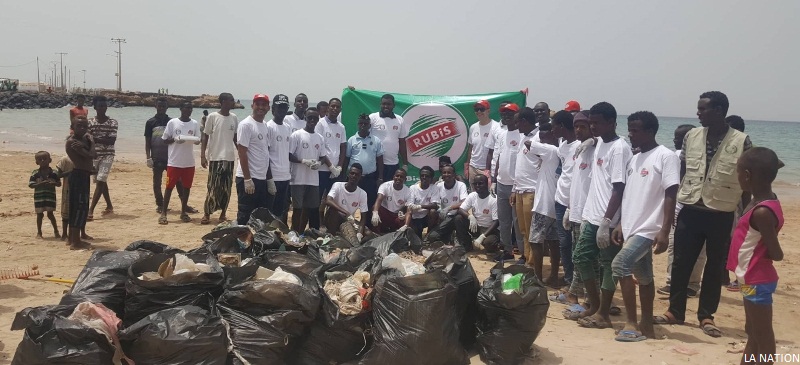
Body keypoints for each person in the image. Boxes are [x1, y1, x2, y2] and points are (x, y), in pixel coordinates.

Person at [655, 91, 751, 338]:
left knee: (715, 266)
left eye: (703, 109)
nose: (698, 113)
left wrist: (744, 218)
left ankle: (706, 315)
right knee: (680, 262)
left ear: (719, 110)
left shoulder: (742, 141)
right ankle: (675, 311)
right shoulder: (692, 136)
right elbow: (684, 171)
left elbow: (746, 182)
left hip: (721, 213)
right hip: (690, 209)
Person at [610, 111, 680, 341]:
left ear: (650, 131)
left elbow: (671, 193)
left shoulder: (666, 156)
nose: (630, 134)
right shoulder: (634, 158)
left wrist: (664, 229)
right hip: (631, 225)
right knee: (645, 276)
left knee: (620, 264)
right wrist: (621, 222)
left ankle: (631, 322)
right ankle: (647, 325)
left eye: (635, 130)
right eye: (629, 129)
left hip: (649, 227)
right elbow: (630, 193)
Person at [572, 102, 632, 329]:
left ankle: (604, 314)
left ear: (612, 123)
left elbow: (618, 188)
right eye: (591, 123)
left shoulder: (620, 148)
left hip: (609, 219)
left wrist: (608, 222)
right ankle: (595, 306)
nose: (593, 127)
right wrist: (591, 140)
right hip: (591, 215)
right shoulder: (599, 144)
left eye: (597, 123)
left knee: (608, 265)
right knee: (581, 258)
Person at [728, 147, 783, 364]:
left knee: (763, 334)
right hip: (748, 278)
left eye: (739, 172)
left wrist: (768, 252)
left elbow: (776, 253)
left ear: (747, 176)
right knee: (751, 329)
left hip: (757, 279)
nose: (738, 177)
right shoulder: (759, 200)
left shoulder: (762, 212)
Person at [659, 124, 705, 298]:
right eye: (676, 137)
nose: (675, 140)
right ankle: (673, 282)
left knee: (698, 250)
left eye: (679, 137)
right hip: (677, 208)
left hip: (695, 207)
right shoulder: (674, 156)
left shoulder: (698, 156)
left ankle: (692, 284)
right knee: (674, 246)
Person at [561, 111, 601, 315]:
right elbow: (575, 181)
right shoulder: (578, 149)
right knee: (579, 258)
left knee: (588, 260)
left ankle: (590, 300)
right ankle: (576, 294)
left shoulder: (596, 149)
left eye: (583, 126)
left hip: (589, 213)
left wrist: (593, 140)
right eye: (576, 126)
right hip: (575, 210)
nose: (578, 130)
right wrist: (569, 208)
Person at [145, 97, 195, 214]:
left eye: (164, 106)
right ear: (155, 106)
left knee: (178, 182)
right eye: (159, 106)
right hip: (156, 157)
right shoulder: (150, 122)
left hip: (171, 158)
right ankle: (160, 204)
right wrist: (148, 157)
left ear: (167, 107)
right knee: (157, 182)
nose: (161, 108)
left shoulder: (172, 122)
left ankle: (184, 204)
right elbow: (148, 141)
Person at [528, 122, 563, 287]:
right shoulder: (559, 153)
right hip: (555, 205)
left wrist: (538, 141)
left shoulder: (550, 151)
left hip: (543, 205)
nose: (541, 142)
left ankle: (537, 278)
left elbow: (527, 143)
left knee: (536, 242)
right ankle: (554, 276)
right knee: (554, 242)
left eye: (544, 138)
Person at [289, 107, 335, 232]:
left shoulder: (319, 137)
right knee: (297, 209)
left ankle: (302, 233)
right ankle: (294, 233)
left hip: (313, 180)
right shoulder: (296, 135)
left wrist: (319, 163)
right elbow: (289, 155)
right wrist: (303, 161)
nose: (312, 120)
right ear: (305, 117)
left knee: (309, 208)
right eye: (310, 117)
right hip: (298, 179)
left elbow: (323, 156)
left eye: (315, 118)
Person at [486, 103, 521, 261]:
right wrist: (493, 179)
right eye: (503, 113)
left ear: (517, 115)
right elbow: (499, 157)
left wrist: (516, 186)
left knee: (518, 223)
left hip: (517, 187)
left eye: (510, 113)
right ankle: (508, 252)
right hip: (501, 184)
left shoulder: (522, 135)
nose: (506, 116)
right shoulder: (502, 134)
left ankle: (524, 254)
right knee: (504, 222)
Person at [159, 101, 201, 225]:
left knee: (186, 188)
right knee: (169, 188)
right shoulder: (173, 123)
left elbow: (198, 140)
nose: (189, 110)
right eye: (186, 107)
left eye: (191, 108)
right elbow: (165, 140)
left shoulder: (194, 123)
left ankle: (183, 212)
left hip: (189, 162)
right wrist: (175, 139)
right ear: (181, 108)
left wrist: (197, 141)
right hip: (174, 162)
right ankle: (163, 213)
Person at [200, 93, 238, 224]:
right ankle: (207, 214)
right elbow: (205, 136)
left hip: (230, 158)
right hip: (216, 157)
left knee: (227, 187)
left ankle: (223, 214)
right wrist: (202, 156)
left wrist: (242, 152)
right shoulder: (213, 117)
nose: (233, 102)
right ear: (223, 102)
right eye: (231, 100)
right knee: (212, 186)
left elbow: (235, 138)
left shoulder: (234, 117)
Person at [235, 94, 273, 225]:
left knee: (259, 216)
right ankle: (241, 243)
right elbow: (242, 152)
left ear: (268, 108)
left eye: (264, 105)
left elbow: (264, 153)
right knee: (245, 215)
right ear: (252, 106)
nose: (261, 107)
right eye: (258, 104)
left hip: (261, 179)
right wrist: (247, 179)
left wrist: (269, 179)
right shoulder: (246, 124)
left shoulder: (265, 126)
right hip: (248, 178)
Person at [553, 110, 580, 287]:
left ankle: (577, 282)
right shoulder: (562, 146)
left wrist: (572, 205)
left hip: (575, 204)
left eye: (554, 125)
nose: (553, 129)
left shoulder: (580, 146)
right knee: (563, 243)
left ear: (561, 126)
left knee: (576, 245)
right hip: (560, 201)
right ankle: (569, 278)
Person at [512, 108, 541, 265]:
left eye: (518, 122)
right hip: (519, 189)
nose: (516, 126)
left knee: (531, 229)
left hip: (532, 189)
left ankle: (533, 263)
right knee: (523, 228)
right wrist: (514, 188)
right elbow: (520, 164)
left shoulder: (539, 137)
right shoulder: (523, 138)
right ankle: (526, 256)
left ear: (524, 121)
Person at [345, 114, 384, 225]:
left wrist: (380, 177)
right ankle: (350, 225)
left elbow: (380, 159)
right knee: (351, 201)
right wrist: (344, 175)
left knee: (369, 202)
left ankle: (366, 226)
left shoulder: (376, 140)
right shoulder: (352, 140)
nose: (363, 125)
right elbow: (347, 158)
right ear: (358, 125)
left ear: (369, 125)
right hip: (354, 178)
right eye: (361, 123)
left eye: (365, 124)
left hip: (370, 177)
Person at [65, 115, 95, 249]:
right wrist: (92, 143)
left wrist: (87, 143)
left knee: (79, 207)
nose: (83, 128)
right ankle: (75, 242)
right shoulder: (73, 142)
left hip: (84, 174)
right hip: (78, 175)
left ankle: (72, 238)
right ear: (72, 128)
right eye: (79, 126)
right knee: (78, 207)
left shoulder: (82, 140)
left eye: (85, 126)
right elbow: (92, 155)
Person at [87, 95, 118, 220]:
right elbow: (88, 139)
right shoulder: (90, 122)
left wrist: (94, 139)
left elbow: (111, 141)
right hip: (94, 156)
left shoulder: (112, 122)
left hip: (108, 155)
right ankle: (109, 205)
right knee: (101, 181)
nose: (103, 108)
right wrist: (97, 141)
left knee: (100, 180)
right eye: (100, 106)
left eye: (104, 106)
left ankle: (91, 210)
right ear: (95, 107)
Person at [264, 94, 293, 220]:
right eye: (279, 107)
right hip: (273, 176)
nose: (282, 110)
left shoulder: (287, 127)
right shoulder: (268, 127)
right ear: (272, 109)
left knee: (283, 210)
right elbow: (265, 154)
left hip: (285, 176)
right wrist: (269, 178)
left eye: (284, 108)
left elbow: (287, 152)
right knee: (270, 211)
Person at [425, 164, 469, 244]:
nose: (446, 174)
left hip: (457, 216)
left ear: (454, 175)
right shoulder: (438, 186)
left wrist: (449, 208)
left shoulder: (461, 185)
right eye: (444, 172)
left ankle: (462, 239)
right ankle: (449, 235)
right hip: (444, 217)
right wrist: (440, 210)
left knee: (458, 218)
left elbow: (465, 202)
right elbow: (435, 202)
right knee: (433, 237)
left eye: (449, 172)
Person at [369, 94, 409, 183]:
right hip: (375, 163)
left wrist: (405, 163)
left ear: (393, 105)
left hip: (393, 164)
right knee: (375, 191)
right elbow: (365, 137)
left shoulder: (400, 120)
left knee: (391, 191)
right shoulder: (373, 117)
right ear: (380, 104)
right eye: (383, 104)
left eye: (389, 104)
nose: (386, 106)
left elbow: (402, 142)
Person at [455, 175, 499, 251]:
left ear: (487, 184)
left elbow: (496, 222)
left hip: (490, 229)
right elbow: (461, 209)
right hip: (475, 227)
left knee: (489, 243)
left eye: (480, 183)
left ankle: (494, 245)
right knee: (458, 218)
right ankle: (467, 245)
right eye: (475, 184)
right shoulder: (472, 195)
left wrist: (483, 236)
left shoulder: (494, 199)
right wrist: (470, 217)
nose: (477, 186)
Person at [315, 98, 346, 203]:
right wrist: (331, 166)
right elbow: (320, 147)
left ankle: (327, 220)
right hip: (322, 170)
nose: (335, 108)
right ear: (328, 107)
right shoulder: (320, 123)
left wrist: (339, 167)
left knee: (333, 201)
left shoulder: (341, 127)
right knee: (317, 199)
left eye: (337, 107)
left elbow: (343, 147)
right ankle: (315, 220)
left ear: (340, 109)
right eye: (332, 106)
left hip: (335, 173)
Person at [324, 164, 369, 236]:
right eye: (352, 173)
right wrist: (346, 213)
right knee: (334, 211)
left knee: (367, 233)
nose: (354, 176)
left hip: (349, 221)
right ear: (348, 174)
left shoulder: (362, 193)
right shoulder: (337, 185)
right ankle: (332, 236)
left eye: (357, 174)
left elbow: (363, 217)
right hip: (333, 218)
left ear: (360, 177)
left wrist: (360, 233)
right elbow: (328, 200)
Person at [464, 100, 499, 183]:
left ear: (488, 111)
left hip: (487, 169)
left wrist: (489, 169)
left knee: (488, 195)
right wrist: (467, 166)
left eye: (482, 109)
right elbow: (470, 148)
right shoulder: (473, 127)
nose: (479, 112)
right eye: (476, 110)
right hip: (473, 168)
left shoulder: (496, 127)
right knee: (474, 194)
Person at [29, 151, 61, 238]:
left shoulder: (54, 173)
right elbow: (31, 184)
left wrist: (53, 183)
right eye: (40, 159)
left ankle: (56, 231)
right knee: (39, 214)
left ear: (50, 160)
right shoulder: (35, 173)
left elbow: (59, 183)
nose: (42, 161)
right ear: (37, 162)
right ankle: (39, 232)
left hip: (50, 197)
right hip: (39, 197)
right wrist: (40, 184)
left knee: (50, 214)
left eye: (45, 159)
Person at [372, 168, 412, 233]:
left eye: (401, 177)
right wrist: (375, 213)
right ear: (393, 177)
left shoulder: (408, 191)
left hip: (397, 215)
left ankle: (402, 234)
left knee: (407, 218)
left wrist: (406, 224)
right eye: (397, 176)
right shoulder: (385, 185)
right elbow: (379, 199)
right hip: (385, 213)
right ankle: (376, 234)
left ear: (405, 179)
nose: (398, 178)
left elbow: (409, 210)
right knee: (375, 208)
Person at [408, 166, 441, 238]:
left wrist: (420, 206)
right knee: (417, 239)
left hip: (427, 216)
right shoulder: (413, 188)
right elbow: (410, 204)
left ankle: (429, 235)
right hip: (416, 216)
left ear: (431, 178)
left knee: (433, 211)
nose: (424, 177)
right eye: (422, 175)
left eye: (427, 176)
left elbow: (435, 205)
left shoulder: (434, 188)